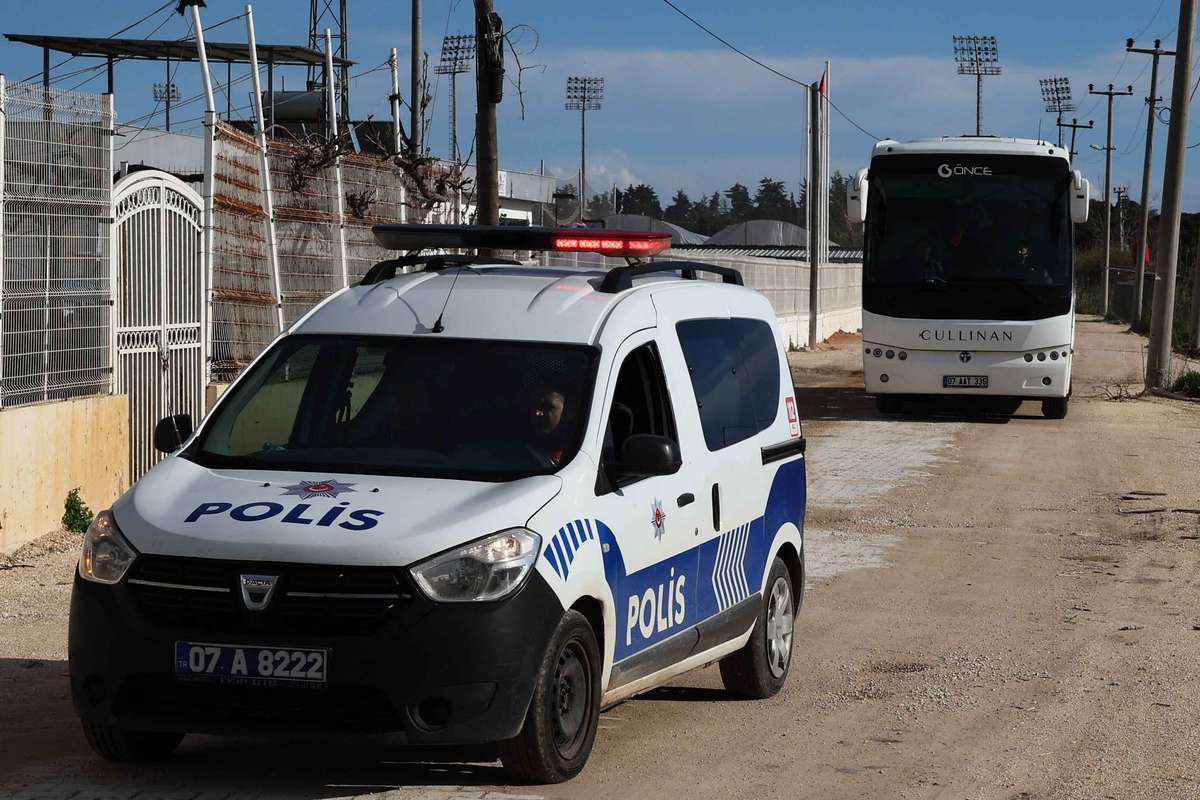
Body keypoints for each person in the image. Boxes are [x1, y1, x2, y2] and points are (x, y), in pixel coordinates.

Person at [530, 388, 567, 464]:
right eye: (535, 406)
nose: (538, 413)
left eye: (547, 407)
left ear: (565, 413)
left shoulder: (577, 457)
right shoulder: (518, 452)